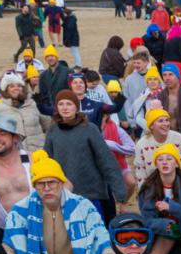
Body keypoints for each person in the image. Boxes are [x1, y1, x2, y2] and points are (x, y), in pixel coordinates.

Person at [44, 90, 126, 225]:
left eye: (69, 104)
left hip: (92, 196)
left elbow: (107, 162)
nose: (65, 108)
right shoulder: (53, 131)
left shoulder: (89, 129)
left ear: (76, 107)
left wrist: (120, 195)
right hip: (65, 197)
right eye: (61, 104)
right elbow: (47, 163)